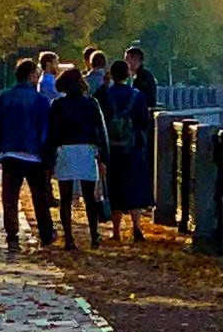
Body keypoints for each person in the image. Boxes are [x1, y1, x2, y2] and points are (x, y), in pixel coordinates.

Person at [0, 51, 54, 253]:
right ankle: (46, 233)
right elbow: (44, 128)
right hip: (33, 154)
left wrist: (1, 149)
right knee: (40, 196)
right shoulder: (40, 100)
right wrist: (45, 154)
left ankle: (12, 235)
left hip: (10, 154)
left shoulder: (5, 98)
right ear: (31, 76)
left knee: (10, 197)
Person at [47, 64, 109, 250]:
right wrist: (103, 157)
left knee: (65, 198)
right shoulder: (92, 104)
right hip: (87, 149)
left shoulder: (58, 105)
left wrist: (50, 159)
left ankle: (69, 238)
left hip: (65, 149)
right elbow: (101, 131)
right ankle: (94, 234)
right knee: (90, 197)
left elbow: (52, 133)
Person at [97, 55, 150, 243]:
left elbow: (97, 122)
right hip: (133, 148)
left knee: (114, 188)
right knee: (134, 187)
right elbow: (144, 122)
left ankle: (116, 231)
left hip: (111, 150)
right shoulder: (136, 96)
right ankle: (136, 227)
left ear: (111, 75)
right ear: (127, 75)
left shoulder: (103, 95)